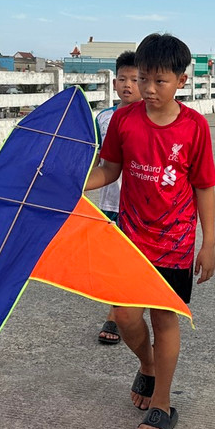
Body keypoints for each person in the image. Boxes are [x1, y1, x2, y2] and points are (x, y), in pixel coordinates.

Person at [85, 32, 215, 429]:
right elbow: (110, 168)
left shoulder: (194, 126)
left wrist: (207, 241)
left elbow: (204, 186)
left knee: (164, 319)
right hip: (131, 235)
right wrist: (76, 183)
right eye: (143, 79)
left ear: (181, 80)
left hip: (176, 242)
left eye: (159, 81)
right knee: (125, 316)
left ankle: (162, 402)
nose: (148, 89)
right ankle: (148, 364)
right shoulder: (124, 120)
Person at [93, 51, 141, 345]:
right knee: (114, 262)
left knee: (132, 261)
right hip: (109, 202)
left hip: (138, 205)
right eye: (122, 78)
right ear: (114, 83)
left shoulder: (148, 117)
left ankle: (116, 314)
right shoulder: (103, 118)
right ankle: (117, 309)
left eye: (135, 79)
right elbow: (97, 160)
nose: (128, 85)